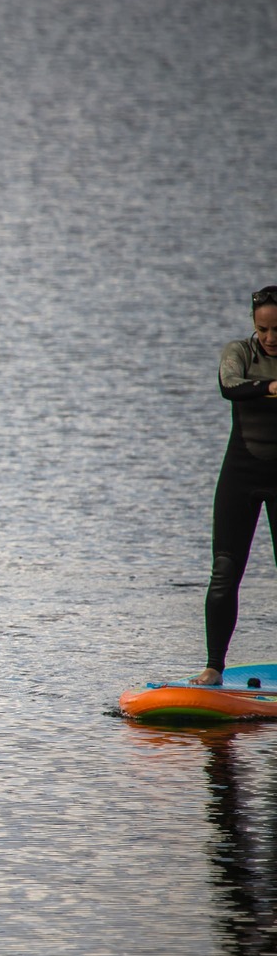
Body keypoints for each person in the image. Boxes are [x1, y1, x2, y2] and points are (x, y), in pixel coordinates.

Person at [196, 285, 277, 685]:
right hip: (241, 474)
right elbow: (229, 386)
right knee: (225, 572)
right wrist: (270, 387)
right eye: (263, 329)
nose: (270, 338)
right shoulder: (239, 353)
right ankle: (214, 667)